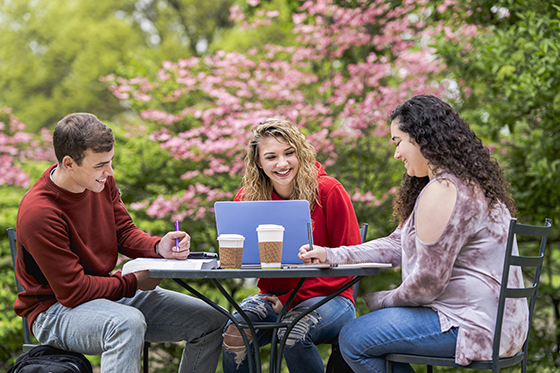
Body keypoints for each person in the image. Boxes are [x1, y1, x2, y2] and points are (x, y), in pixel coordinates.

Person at [299, 95, 528, 372]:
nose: (396, 154)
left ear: (422, 138)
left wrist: (384, 302)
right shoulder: (464, 185)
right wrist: (331, 254)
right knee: (367, 336)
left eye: (398, 142)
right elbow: (396, 244)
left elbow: (428, 283)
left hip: (473, 327)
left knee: (354, 337)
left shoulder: (444, 191)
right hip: (499, 324)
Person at [14, 113, 228, 373]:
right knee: (126, 323)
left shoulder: (100, 183)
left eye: (110, 162)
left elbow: (123, 231)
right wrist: (134, 282)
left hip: (106, 295)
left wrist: (159, 247)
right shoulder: (40, 212)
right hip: (54, 312)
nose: (110, 172)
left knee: (212, 320)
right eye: (100, 165)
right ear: (69, 163)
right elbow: (73, 292)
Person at [222, 118, 362, 373]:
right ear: (258, 163)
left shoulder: (329, 191)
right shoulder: (247, 198)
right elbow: (244, 258)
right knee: (235, 331)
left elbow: (353, 259)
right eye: (271, 156)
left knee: (293, 333)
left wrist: (291, 299)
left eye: (289, 153)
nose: (283, 163)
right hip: (275, 300)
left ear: (301, 153)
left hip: (332, 299)